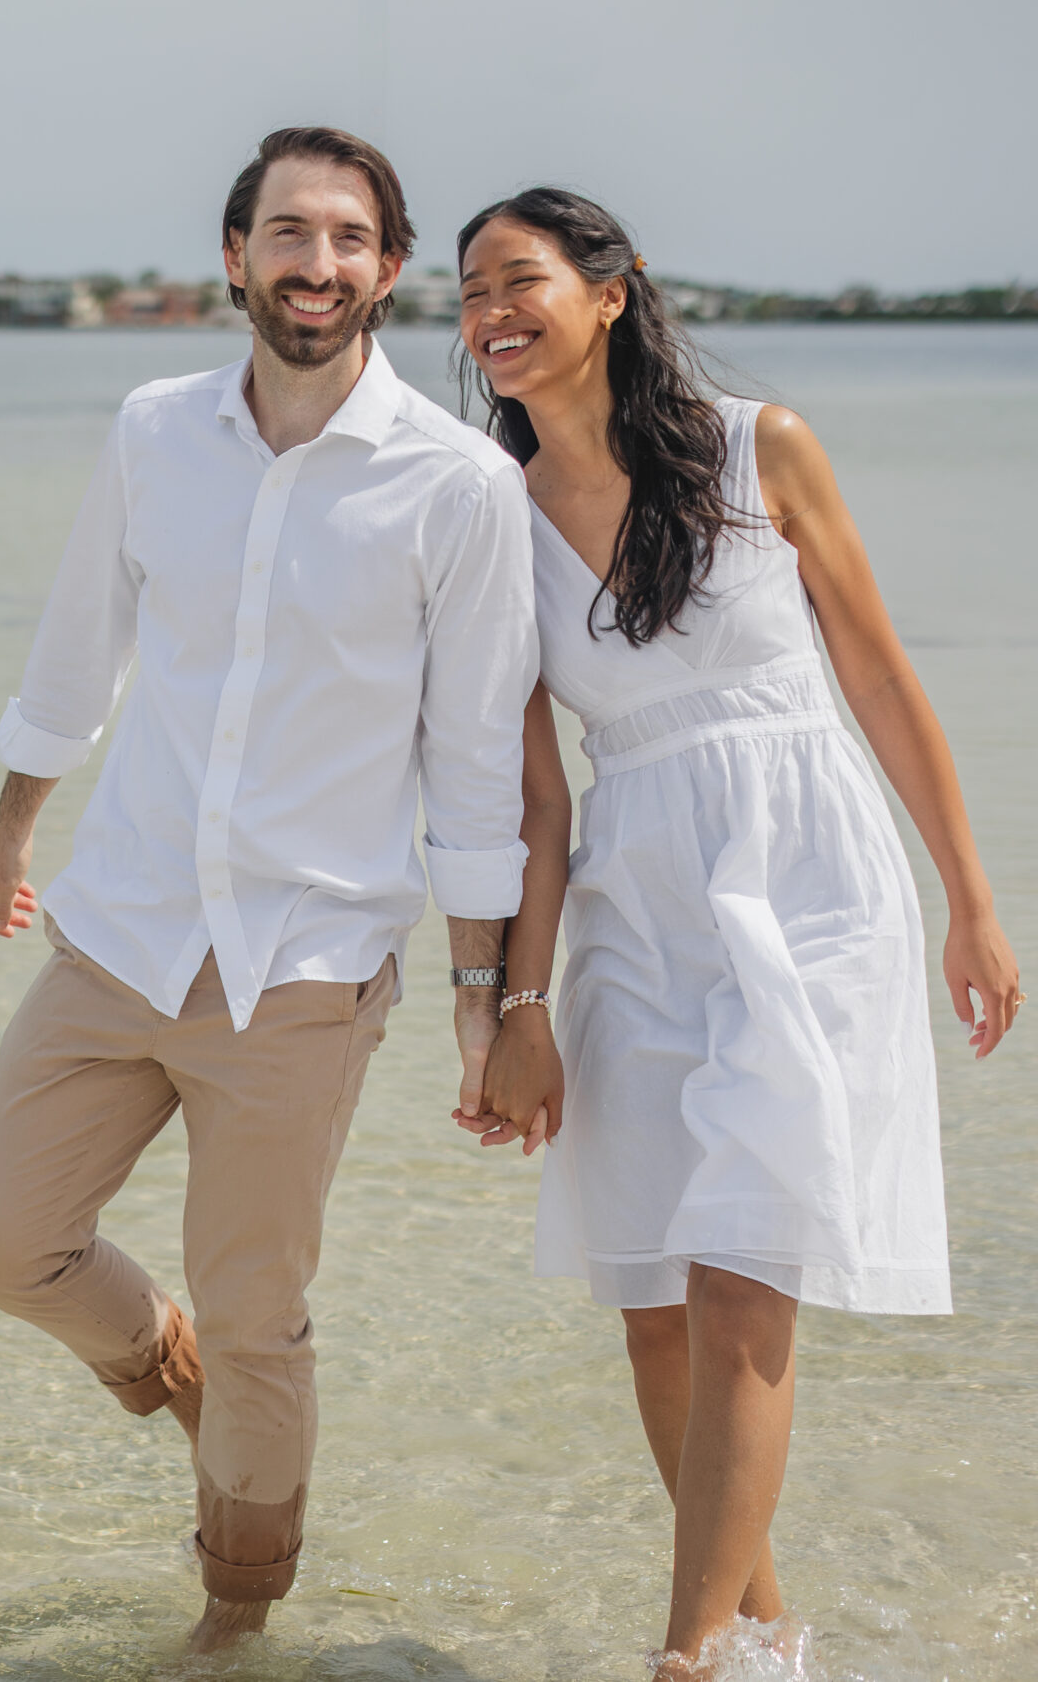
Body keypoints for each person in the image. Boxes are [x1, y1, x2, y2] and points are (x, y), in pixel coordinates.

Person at [0, 127, 541, 1655]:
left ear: (387, 270)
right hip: (123, 927)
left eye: (348, 239)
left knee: (265, 1316)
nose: (317, 264)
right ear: (236, 255)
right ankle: (165, 1362)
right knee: (2, 1244)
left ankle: (234, 1614)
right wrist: (15, 824)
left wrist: (488, 1006)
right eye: (289, 232)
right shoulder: (154, 429)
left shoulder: (459, 485)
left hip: (307, 964)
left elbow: (475, 768)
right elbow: (84, 642)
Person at [455, 187, 1024, 1678]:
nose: (489, 316)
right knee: (650, 1296)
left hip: (811, 880)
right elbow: (533, 806)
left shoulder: (762, 448)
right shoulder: (486, 521)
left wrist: (969, 896)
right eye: (466, 296)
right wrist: (513, 1008)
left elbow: (887, 683)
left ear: (613, 293)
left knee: (741, 1268)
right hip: (637, 900)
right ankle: (767, 1636)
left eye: (517, 280)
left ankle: (687, 1657)